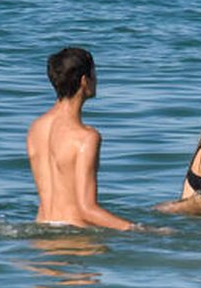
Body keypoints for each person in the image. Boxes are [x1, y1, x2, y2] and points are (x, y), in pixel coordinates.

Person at [27, 47, 133, 230]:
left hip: (41, 231)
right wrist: (139, 229)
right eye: (94, 73)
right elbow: (86, 209)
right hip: (74, 236)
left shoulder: (36, 128)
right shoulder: (86, 138)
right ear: (85, 81)